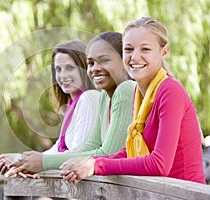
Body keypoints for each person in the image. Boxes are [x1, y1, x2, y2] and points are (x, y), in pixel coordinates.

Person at [60, 17, 206, 185]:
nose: (135, 57)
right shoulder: (139, 93)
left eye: (145, 49)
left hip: (183, 194)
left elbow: (159, 164)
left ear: (164, 51)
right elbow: (128, 151)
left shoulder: (170, 91)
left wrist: (97, 165)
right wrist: (86, 162)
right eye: (128, 49)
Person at [2, 31, 136, 177]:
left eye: (104, 60)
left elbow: (109, 153)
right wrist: (29, 162)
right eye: (91, 63)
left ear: (124, 61)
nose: (95, 68)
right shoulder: (105, 96)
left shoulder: (125, 89)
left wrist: (43, 163)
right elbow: (89, 147)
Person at [0, 40, 100, 175]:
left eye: (70, 68)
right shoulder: (74, 104)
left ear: (84, 68)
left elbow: (78, 153)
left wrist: (21, 160)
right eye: (58, 69)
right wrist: (21, 161)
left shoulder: (89, 98)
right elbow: (58, 149)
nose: (63, 76)